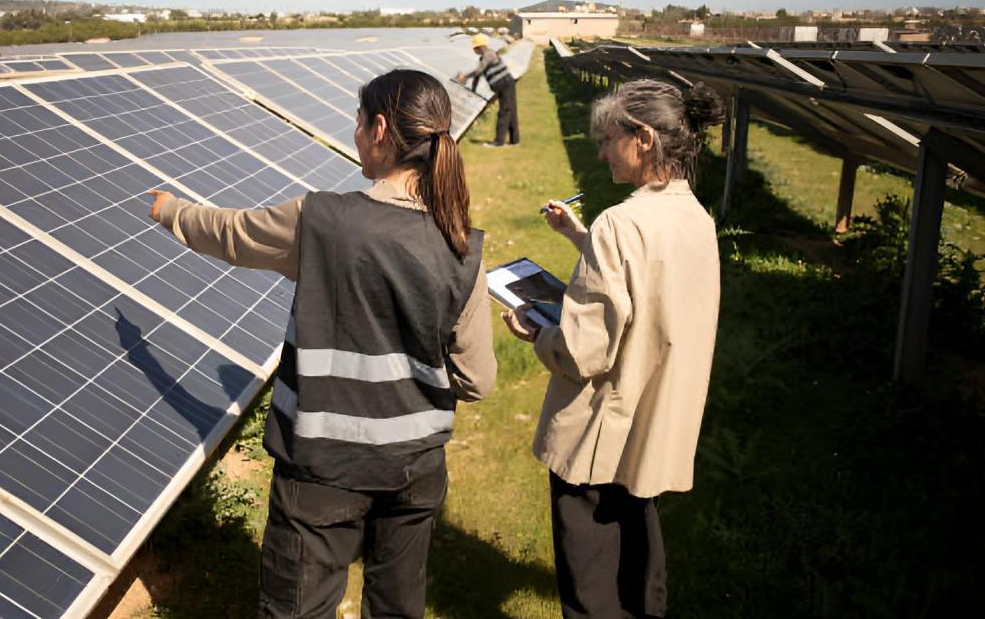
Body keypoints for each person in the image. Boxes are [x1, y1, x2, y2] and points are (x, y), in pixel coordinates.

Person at [148, 69, 496, 618]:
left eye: (358, 122)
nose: (355, 133)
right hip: (417, 470)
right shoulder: (461, 243)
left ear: (379, 129)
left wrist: (171, 211)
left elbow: (232, 233)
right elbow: (477, 381)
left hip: (323, 471)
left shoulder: (323, 222)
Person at [502, 78, 725, 619]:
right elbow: (651, 282)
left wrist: (538, 332)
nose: (601, 152)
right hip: (654, 421)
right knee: (639, 567)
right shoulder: (695, 216)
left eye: (608, 139)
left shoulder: (620, 224)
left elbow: (584, 352)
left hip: (600, 436)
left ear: (643, 138)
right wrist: (580, 239)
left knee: (594, 587)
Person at [457, 32, 518, 147]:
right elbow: (478, 75)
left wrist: (465, 77)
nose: (474, 50)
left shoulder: (489, 55)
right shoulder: (484, 57)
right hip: (506, 84)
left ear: (479, 47)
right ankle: (514, 141)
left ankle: (499, 142)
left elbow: (478, 71)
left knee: (505, 111)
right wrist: (473, 90)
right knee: (510, 110)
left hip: (505, 84)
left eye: (475, 47)